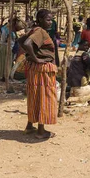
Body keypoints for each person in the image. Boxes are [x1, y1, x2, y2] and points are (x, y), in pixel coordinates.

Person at [18, 9, 58, 139]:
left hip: (35, 69)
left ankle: (29, 126)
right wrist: (36, 58)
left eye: (51, 19)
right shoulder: (40, 31)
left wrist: (32, 56)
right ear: (40, 19)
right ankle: (41, 131)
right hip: (42, 69)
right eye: (48, 19)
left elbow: (21, 41)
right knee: (44, 98)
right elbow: (26, 43)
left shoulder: (33, 30)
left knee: (34, 97)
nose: (50, 22)